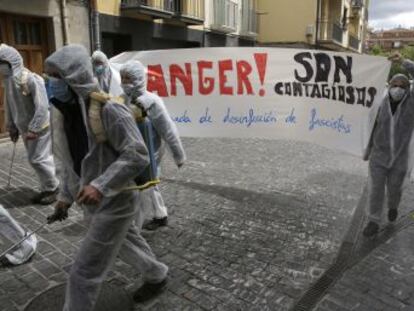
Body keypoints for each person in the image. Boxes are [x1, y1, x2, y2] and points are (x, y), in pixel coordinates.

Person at [45, 45, 168, 311]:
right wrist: (64, 198)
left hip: (117, 200)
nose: (50, 82)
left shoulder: (110, 110)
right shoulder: (63, 114)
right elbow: (69, 163)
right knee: (127, 242)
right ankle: (156, 274)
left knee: (83, 270)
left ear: (73, 75)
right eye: (49, 76)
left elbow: (137, 154)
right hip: (91, 201)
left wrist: (100, 185)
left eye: (55, 75)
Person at [119, 60, 186, 230]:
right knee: (149, 184)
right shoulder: (123, 99)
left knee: (146, 185)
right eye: (123, 78)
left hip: (151, 152)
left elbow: (168, 129)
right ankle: (160, 214)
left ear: (139, 78)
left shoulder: (152, 101)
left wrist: (179, 155)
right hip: (131, 152)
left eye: (129, 78)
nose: (125, 82)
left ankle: (135, 226)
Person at [363, 52, 414, 237]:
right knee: (375, 190)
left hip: (400, 159)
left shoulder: (411, 103)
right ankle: (373, 221)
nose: (398, 88)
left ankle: (393, 207)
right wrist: (367, 151)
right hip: (378, 156)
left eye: (403, 86)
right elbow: (371, 128)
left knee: (394, 190)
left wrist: (403, 62)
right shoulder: (379, 103)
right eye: (395, 85)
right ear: (389, 85)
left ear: (408, 88)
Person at [0, 44, 59, 204]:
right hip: (25, 128)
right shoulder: (9, 81)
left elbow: (42, 105)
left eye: (1, 63)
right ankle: (46, 187)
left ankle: (53, 188)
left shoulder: (32, 79)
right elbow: (9, 104)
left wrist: (34, 128)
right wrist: (11, 126)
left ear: (10, 62)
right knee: (37, 158)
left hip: (39, 127)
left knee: (38, 159)